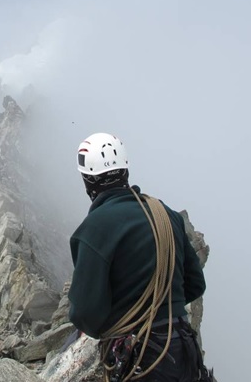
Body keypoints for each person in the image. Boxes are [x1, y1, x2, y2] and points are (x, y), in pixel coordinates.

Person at [68, 133, 210, 382]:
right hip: (184, 350)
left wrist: (127, 319)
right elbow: (196, 284)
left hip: (142, 359)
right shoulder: (167, 215)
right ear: (125, 171)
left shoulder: (93, 230)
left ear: (88, 181)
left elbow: (85, 314)